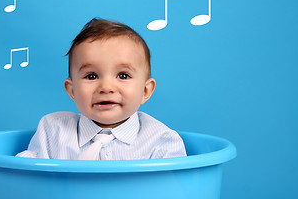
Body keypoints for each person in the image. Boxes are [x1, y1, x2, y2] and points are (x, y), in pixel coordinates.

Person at [16, 18, 187, 160]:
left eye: (123, 76)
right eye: (91, 76)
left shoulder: (162, 141)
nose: (106, 87)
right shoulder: (52, 131)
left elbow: (175, 189)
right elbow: (27, 180)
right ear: (72, 90)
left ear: (145, 91)